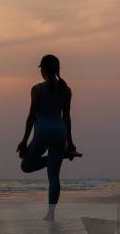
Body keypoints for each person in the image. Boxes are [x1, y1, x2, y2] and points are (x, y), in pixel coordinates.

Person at [17, 54, 82, 221]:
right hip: (59, 131)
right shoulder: (66, 90)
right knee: (54, 176)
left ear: (43, 70)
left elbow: (31, 116)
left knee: (26, 166)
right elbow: (66, 118)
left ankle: (59, 156)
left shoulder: (37, 89)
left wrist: (24, 141)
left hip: (43, 131)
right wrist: (70, 142)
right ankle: (51, 214)